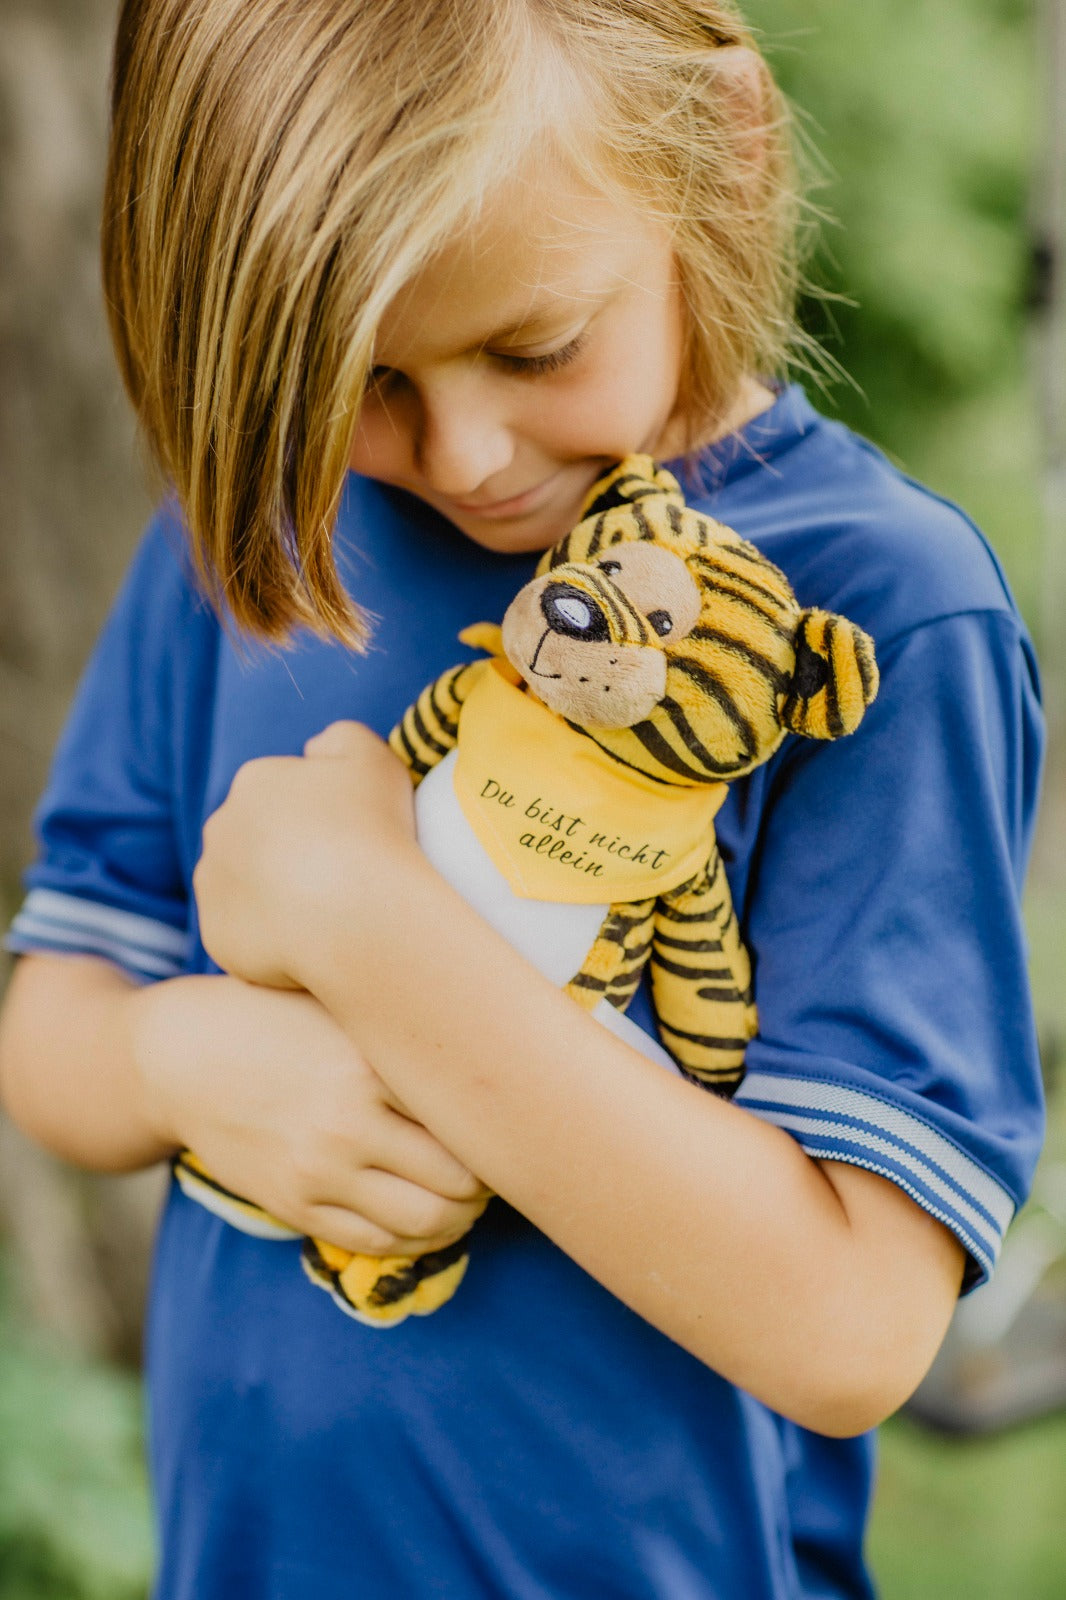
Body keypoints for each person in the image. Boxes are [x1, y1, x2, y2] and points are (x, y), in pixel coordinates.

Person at [0, 1, 1044, 1595]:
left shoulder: (870, 610)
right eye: (366, 378)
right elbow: (52, 1021)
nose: (468, 449)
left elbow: (848, 1327)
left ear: (726, 158)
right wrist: (172, 1058)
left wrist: (364, 924)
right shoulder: (256, 541)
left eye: (534, 346)